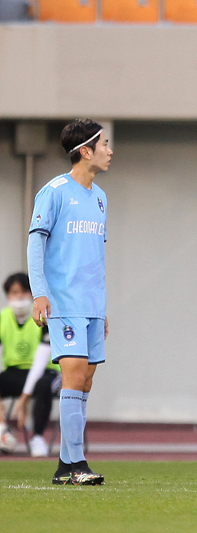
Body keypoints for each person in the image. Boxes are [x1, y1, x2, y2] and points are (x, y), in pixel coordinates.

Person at [29, 119, 112, 485]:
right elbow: (36, 244)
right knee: (74, 375)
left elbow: (94, 257)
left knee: (86, 380)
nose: (110, 151)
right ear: (86, 151)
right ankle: (77, 464)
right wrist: (39, 293)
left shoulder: (101, 197)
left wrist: (102, 308)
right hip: (64, 302)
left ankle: (66, 465)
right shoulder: (54, 192)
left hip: (92, 304)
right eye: (104, 144)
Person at [0, 272, 60, 457]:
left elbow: (40, 363)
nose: (19, 297)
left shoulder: (45, 316)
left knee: (43, 385)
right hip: (15, 371)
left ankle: (38, 437)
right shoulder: (2, 318)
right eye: (14, 292)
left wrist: (24, 398)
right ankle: (2, 430)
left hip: (46, 372)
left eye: (24, 291)